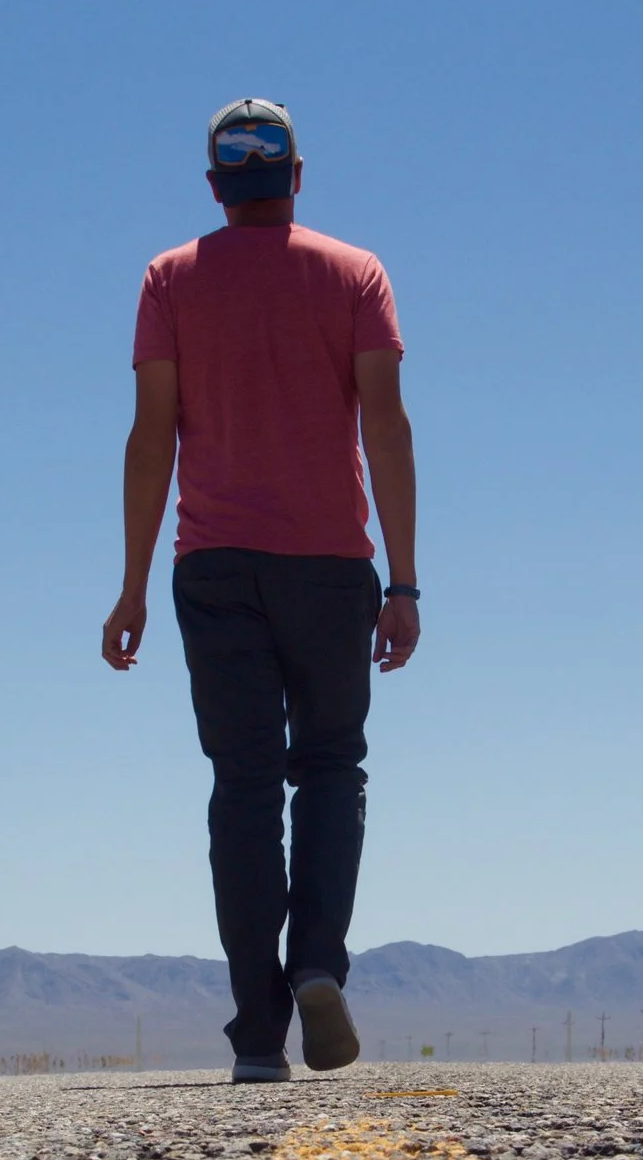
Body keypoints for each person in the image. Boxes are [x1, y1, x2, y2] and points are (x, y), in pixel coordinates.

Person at [101, 98, 420, 1084]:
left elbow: (152, 434)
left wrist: (130, 587)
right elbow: (386, 425)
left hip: (214, 565)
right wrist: (401, 580)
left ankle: (255, 1035)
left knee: (242, 785)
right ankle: (318, 960)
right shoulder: (355, 273)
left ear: (214, 186)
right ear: (296, 175)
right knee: (329, 768)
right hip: (330, 562)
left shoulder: (170, 279)